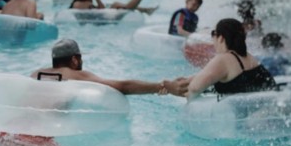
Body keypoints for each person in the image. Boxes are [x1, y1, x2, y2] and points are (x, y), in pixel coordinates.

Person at [31, 39, 189, 97]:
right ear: (74, 60)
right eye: (80, 58)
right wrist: (163, 86)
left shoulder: (35, 74)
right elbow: (123, 86)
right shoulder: (76, 75)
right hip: (42, 137)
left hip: (15, 128)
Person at [186, 18, 276, 100]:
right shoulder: (249, 57)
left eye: (213, 33)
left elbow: (194, 88)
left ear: (221, 38)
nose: (212, 38)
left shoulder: (224, 58)